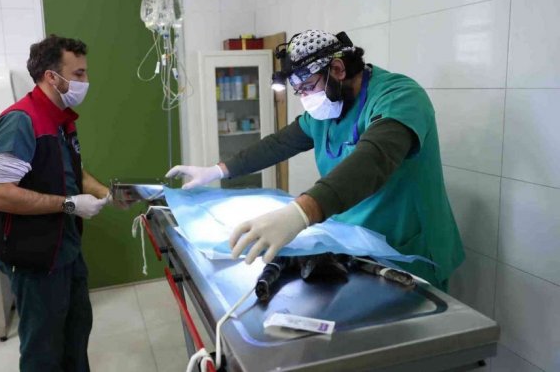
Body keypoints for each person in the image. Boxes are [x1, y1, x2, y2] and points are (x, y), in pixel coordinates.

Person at [166, 29, 464, 291]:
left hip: (407, 248)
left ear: (337, 69)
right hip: (355, 242)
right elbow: (279, 144)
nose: (305, 99)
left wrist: (301, 213)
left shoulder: (400, 97)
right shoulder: (329, 109)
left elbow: (373, 160)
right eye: (298, 92)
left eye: (308, 87)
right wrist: (217, 170)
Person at [0, 35, 119, 371]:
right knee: (43, 349)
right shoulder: (20, 121)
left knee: (76, 332)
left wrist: (106, 193)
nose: (86, 81)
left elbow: (73, 171)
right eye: (79, 74)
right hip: (34, 257)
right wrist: (70, 204)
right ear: (51, 77)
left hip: (66, 250)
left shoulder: (61, 119)